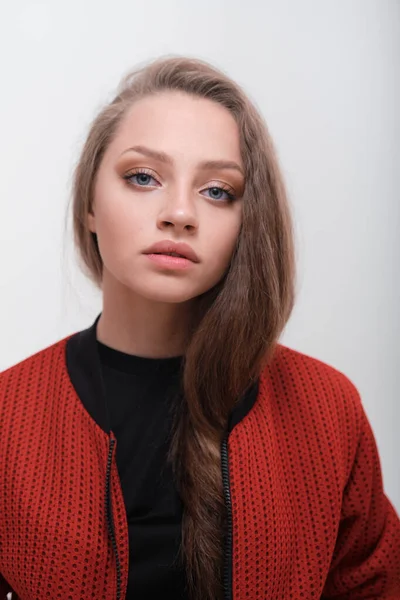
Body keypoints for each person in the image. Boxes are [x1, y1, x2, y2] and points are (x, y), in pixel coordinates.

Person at [0, 55, 399, 600]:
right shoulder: (8, 414)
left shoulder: (328, 408)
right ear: (90, 204)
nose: (180, 213)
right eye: (143, 177)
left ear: (246, 220)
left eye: (217, 191)